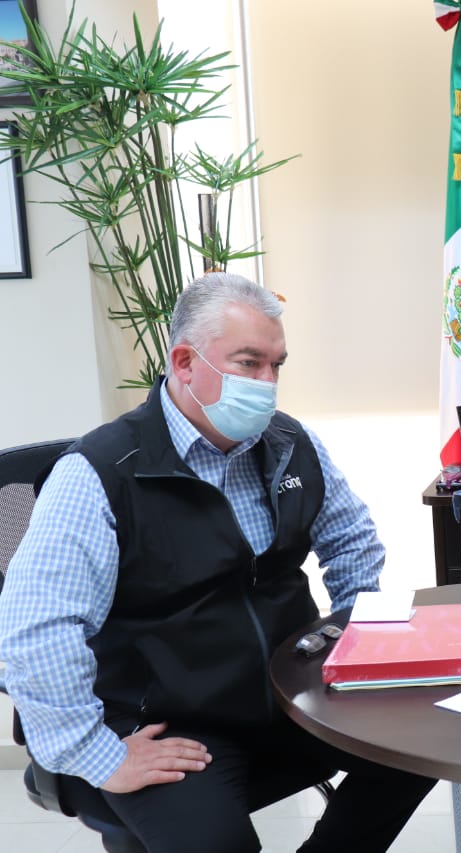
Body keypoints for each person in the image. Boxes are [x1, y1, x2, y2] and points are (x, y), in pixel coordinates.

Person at [0, 273, 435, 852]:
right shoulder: (100, 474)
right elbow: (36, 628)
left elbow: (353, 542)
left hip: (287, 691)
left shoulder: (288, 443)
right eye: (249, 363)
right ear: (184, 362)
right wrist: (98, 755)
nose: (267, 383)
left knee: (426, 741)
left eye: (277, 366)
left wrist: (351, 645)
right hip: (172, 722)